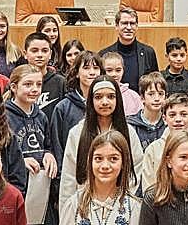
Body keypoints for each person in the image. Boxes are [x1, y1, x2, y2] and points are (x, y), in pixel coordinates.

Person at [57, 129, 141, 225]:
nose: (105, 166)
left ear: (124, 163)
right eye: (98, 159)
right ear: (90, 162)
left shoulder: (134, 208)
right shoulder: (74, 205)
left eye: (113, 159)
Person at [60, 78, 145, 208]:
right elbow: (69, 177)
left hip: (119, 205)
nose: (105, 102)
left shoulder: (129, 132)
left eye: (110, 97)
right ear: (91, 101)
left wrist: (120, 199)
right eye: (98, 97)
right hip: (85, 204)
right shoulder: (77, 133)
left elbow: (136, 170)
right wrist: (68, 208)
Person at [5, 64, 61, 225]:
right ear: (14, 87)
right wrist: (22, 161)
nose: (34, 89)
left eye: (38, 84)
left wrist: (48, 154)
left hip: (40, 193)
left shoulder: (42, 116)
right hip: (16, 192)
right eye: (28, 84)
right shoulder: (3, 116)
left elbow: (48, 145)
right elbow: (0, 154)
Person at [137, 97, 188, 195]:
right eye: (172, 115)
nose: (178, 119)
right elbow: (149, 188)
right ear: (164, 119)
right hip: (161, 205)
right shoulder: (153, 150)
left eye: (183, 114)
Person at [98, 7, 158, 92]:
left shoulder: (148, 53)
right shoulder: (104, 54)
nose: (129, 27)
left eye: (132, 23)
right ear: (116, 26)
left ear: (137, 26)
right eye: (124, 23)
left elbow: (155, 82)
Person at [50, 50, 104, 143]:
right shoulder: (63, 108)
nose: (92, 72)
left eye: (96, 68)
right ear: (76, 73)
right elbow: (56, 143)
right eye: (86, 68)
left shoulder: (106, 105)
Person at [22, 31, 66, 115]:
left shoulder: (61, 82)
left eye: (44, 51)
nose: (39, 55)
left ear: (50, 54)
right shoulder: (18, 81)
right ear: (25, 54)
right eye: (34, 51)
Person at [129, 72, 168, 150]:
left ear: (166, 97)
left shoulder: (169, 124)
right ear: (142, 98)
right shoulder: (131, 126)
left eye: (160, 94)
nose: (157, 98)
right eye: (151, 94)